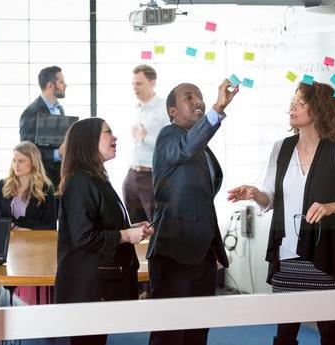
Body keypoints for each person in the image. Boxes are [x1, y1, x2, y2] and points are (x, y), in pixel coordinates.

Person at [227, 81, 335, 345]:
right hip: (286, 252)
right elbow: (269, 196)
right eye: (293, 101)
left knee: (330, 333)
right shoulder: (281, 148)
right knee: (285, 334)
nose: (292, 106)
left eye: (300, 102)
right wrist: (255, 194)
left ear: (318, 110)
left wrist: (331, 206)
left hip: (323, 256)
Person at [147, 79, 239, 345]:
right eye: (189, 97)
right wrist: (217, 109)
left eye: (200, 96)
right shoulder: (169, 137)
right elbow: (187, 147)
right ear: (173, 111)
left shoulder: (200, 147)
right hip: (175, 251)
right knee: (170, 333)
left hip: (202, 253)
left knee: (198, 331)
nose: (198, 101)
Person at [55, 118, 154, 345]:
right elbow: (84, 236)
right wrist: (126, 235)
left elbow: (102, 225)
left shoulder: (96, 177)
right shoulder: (81, 181)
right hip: (87, 287)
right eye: (108, 132)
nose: (115, 137)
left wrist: (131, 229)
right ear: (89, 141)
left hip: (98, 285)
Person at [122, 65, 169, 224]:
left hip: (152, 176)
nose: (135, 88)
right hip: (132, 175)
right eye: (133, 84)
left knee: (156, 226)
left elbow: (170, 147)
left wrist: (145, 138)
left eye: (139, 83)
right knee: (136, 228)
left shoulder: (164, 109)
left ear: (152, 83)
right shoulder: (136, 109)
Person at [19, 65, 67, 187]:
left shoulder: (59, 109)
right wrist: (57, 154)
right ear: (50, 85)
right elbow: (27, 152)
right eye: (61, 82)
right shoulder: (30, 113)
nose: (65, 85)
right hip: (41, 181)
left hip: (60, 178)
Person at [0, 141, 56, 230]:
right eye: (14, 161)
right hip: (7, 240)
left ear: (33, 163)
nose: (16, 165)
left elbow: (51, 225)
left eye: (21, 161)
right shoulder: (2, 185)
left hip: (33, 241)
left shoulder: (45, 188)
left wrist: (28, 228)